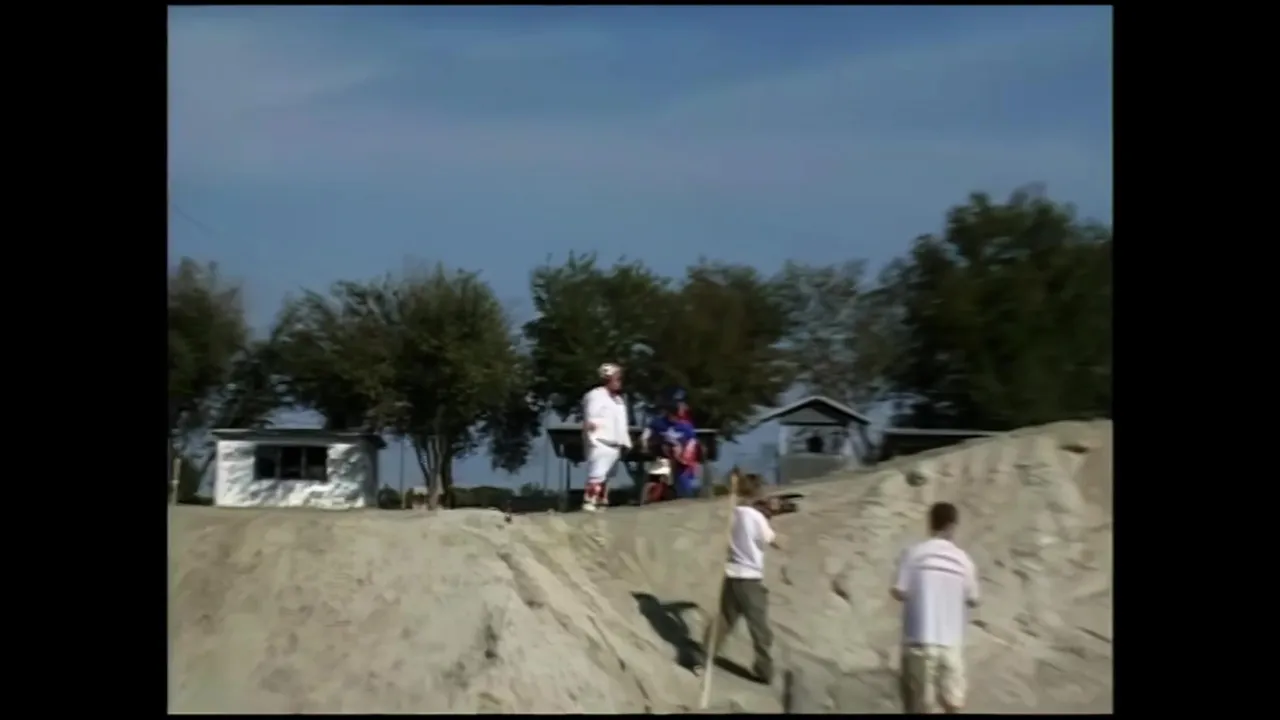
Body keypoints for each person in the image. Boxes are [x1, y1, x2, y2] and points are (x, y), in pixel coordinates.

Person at [891, 502, 980, 714]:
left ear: (930, 523)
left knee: (919, 708)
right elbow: (974, 599)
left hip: (919, 643)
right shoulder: (964, 560)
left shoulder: (913, 554)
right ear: (952, 526)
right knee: (953, 707)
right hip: (951, 647)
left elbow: (899, 591)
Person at [692, 471, 778, 685]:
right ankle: (764, 671)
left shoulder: (732, 512)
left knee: (723, 621)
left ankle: (701, 659)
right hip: (750, 578)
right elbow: (771, 539)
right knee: (760, 628)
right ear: (757, 492)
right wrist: (768, 520)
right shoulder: (756, 517)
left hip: (731, 574)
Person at [581, 362, 631, 512]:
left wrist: (626, 442)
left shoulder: (619, 400)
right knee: (597, 474)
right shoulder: (595, 395)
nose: (619, 381)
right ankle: (589, 501)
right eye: (617, 378)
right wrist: (591, 437)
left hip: (615, 443)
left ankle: (601, 502)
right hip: (601, 441)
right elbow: (590, 418)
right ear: (607, 378)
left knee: (607, 477)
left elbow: (622, 424)